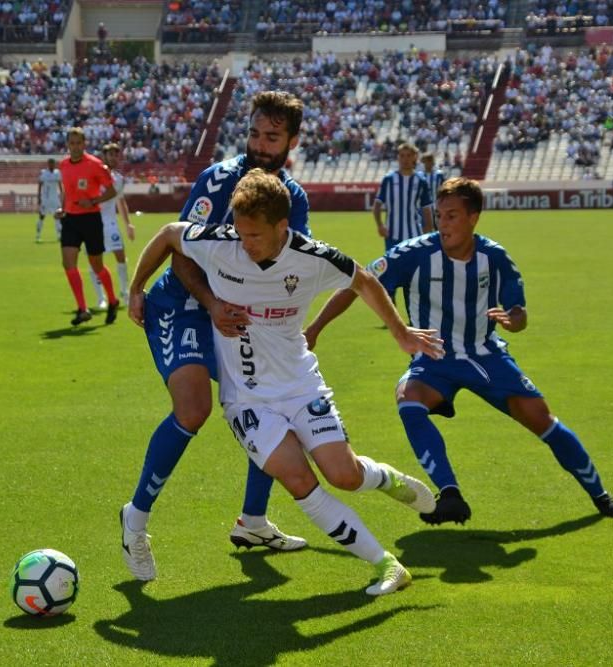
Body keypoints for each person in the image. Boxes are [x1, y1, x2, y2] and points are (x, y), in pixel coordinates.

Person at [129, 169, 444, 595]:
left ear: (283, 227)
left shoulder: (311, 257)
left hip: (301, 385)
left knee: (344, 475)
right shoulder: (223, 243)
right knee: (298, 481)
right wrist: (136, 287)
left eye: (255, 235)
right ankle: (386, 565)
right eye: (240, 232)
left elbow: (363, 279)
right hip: (247, 400)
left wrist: (400, 331)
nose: (245, 243)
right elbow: (169, 234)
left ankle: (386, 480)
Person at [304, 177, 613, 526]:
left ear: (473, 217)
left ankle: (602, 497)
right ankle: (450, 494)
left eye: (452, 216)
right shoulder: (413, 253)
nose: (443, 224)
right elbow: (357, 284)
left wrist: (514, 319)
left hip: (485, 355)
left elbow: (518, 311)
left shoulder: (494, 256)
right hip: (433, 359)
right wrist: (314, 329)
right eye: (440, 215)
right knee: (409, 398)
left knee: (542, 419)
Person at [117, 91, 313, 582]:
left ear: (291, 140)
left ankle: (253, 521)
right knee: (193, 409)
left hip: (238, 312)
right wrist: (207, 303)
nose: (260, 145)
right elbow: (181, 252)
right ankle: (135, 520)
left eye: (272, 137)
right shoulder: (219, 178)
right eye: (254, 134)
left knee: (270, 405)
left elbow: (287, 265)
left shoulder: (294, 200)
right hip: (185, 302)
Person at [57, 127, 120, 326]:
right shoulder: (63, 165)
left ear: (84, 144)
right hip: (70, 219)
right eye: (72, 143)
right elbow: (66, 190)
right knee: (68, 263)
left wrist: (93, 201)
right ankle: (82, 309)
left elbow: (111, 191)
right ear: (67, 144)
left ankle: (112, 300)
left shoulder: (95, 165)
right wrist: (62, 207)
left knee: (96, 265)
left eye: (78, 143)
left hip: (91, 219)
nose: (75, 147)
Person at [88, 143, 134, 309]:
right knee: (94, 261)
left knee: (121, 257)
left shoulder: (119, 179)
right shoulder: (94, 174)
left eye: (116, 155)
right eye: (110, 155)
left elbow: (121, 202)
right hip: (93, 222)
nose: (114, 158)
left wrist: (128, 224)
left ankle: (124, 292)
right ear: (104, 157)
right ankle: (101, 298)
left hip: (111, 223)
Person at [374, 143, 434, 251]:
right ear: (398, 158)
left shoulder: (421, 181)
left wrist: (428, 229)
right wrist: (380, 225)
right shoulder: (388, 179)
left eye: (408, 155)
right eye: (402, 155)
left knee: (415, 267)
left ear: (414, 157)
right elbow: (377, 204)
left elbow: (426, 209)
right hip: (392, 235)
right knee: (393, 267)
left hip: (415, 234)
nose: (405, 159)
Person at [37, 158, 63, 243]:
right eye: (50, 163)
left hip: (55, 199)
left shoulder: (57, 173)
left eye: (53, 163)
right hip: (45, 199)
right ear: (47, 164)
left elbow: (60, 185)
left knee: (58, 217)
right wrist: (39, 197)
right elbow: (40, 185)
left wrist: (62, 196)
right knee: (42, 216)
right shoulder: (43, 173)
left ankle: (59, 236)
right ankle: (38, 235)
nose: (51, 165)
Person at [420, 152, 447, 225]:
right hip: (423, 208)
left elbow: (444, 190)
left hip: (437, 206)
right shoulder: (419, 176)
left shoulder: (439, 175)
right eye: (426, 161)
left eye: (430, 161)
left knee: (439, 228)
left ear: (433, 162)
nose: (428, 163)